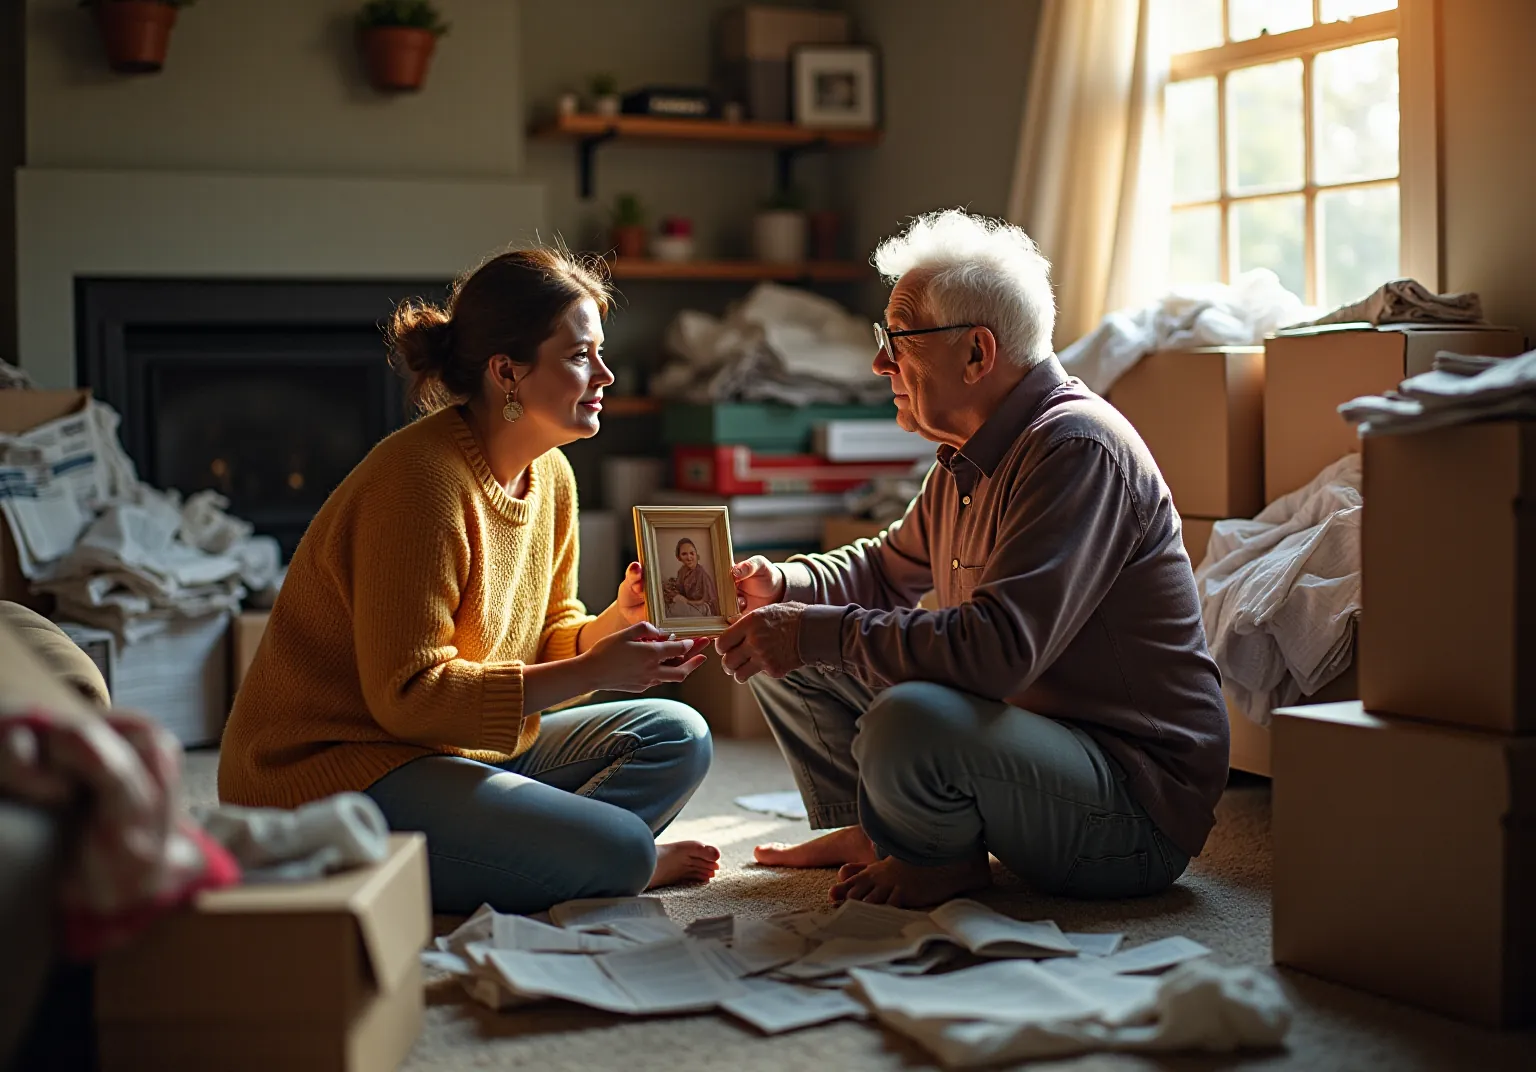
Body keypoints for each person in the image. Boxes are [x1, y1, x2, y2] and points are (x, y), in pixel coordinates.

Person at [716, 209, 1230, 909]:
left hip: (1131, 806)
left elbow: (997, 652)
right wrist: (784, 584)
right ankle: (874, 832)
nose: (879, 363)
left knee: (906, 717)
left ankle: (940, 863)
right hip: (1037, 738)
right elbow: (884, 570)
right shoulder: (969, 454)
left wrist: (812, 629)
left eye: (896, 340)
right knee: (786, 636)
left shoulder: (1074, 449)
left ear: (977, 354)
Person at [219, 248, 721, 915]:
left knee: (679, 735)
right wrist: (598, 667)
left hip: (456, 752)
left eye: (600, 353)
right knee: (626, 850)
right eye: (579, 357)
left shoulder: (554, 479)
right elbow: (409, 696)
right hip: (339, 772)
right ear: (507, 373)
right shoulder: (421, 484)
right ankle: (592, 856)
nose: (604, 375)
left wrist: (614, 626)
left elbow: (546, 645)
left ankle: (548, 851)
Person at [665, 538, 720, 617]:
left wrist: (686, 601)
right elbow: (679, 590)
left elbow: (706, 601)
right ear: (679, 557)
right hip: (689, 605)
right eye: (684, 554)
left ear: (696, 554)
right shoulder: (682, 571)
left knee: (672, 611)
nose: (689, 557)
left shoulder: (701, 574)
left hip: (704, 608)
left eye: (691, 553)